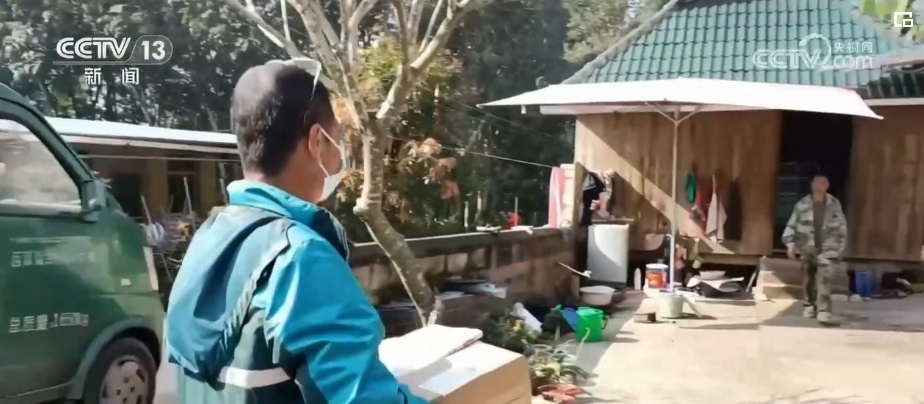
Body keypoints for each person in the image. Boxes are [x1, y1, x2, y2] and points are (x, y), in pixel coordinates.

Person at [165, 60, 427, 403]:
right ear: (317, 141)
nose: (340, 158)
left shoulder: (210, 236)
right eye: (338, 140)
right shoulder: (301, 258)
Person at [781, 173, 848, 326]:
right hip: (807, 248)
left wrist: (840, 249)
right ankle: (809, 305)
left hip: (827, 247)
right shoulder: (802, 204)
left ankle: (823, 310)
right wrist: (790, 244)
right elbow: (792, 224)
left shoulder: (834, 204)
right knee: (808, 279)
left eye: (823, 184)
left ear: (827, 186)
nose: (819, 187)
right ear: (812, 186)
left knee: (825, 278)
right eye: (817, 184)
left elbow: (842, 227)